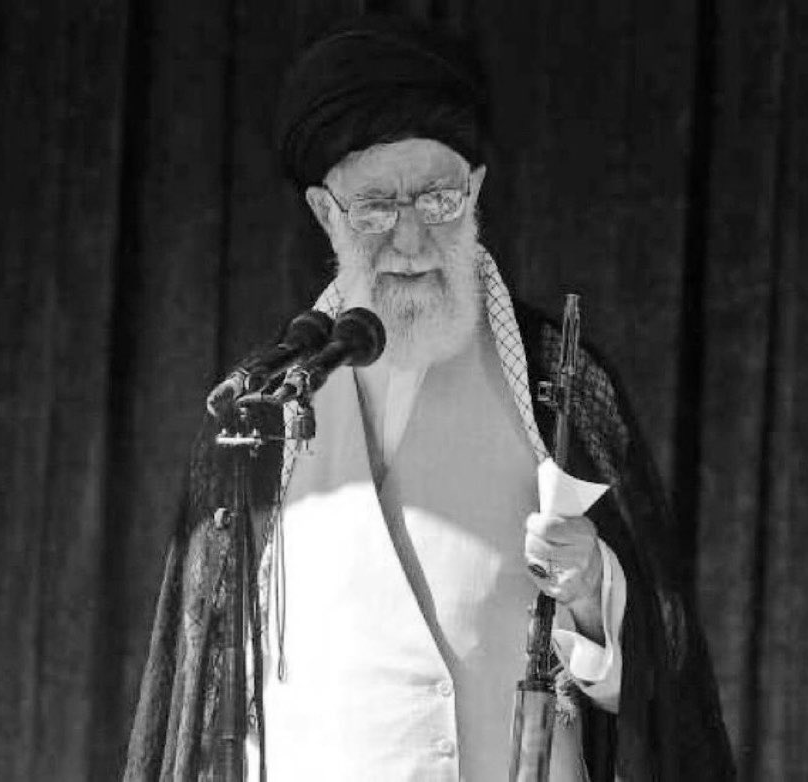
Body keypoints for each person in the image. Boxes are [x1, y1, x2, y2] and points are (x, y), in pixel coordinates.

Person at [124, 15, 733, 782]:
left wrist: (591, 591)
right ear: (325, 212)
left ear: (474, 190)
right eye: (376, 206)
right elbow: (204, 682)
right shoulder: (266, 401)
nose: (410, 240)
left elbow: (660, 683)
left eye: (437, 199)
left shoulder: (556, 378)